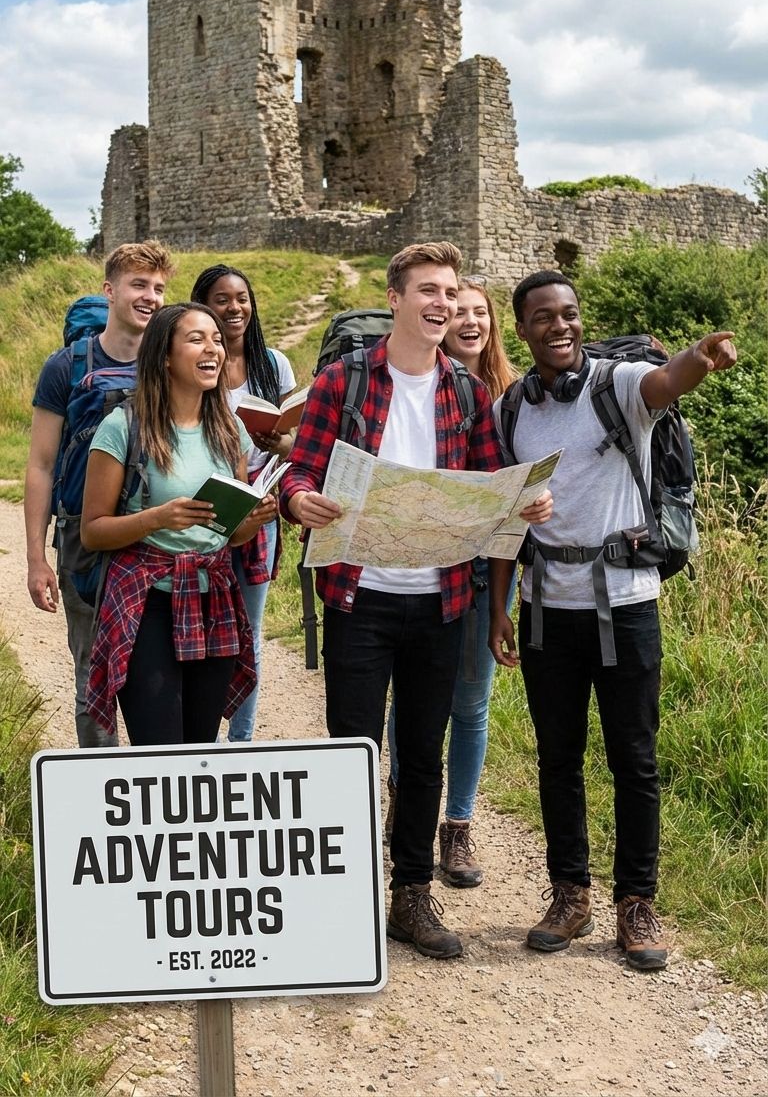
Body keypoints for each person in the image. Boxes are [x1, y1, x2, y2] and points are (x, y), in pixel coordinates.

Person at [280, 242, 551, 960]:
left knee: (422, 754)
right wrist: (299, 499)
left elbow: (495, 480)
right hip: (357, 596)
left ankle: (409, 895)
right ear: (395, 299)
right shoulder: (342, 381)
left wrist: (526, 502)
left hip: (440, 601)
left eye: (450, 291)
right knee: (351, 749)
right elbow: (299, 470)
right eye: (428, 290)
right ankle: (342, 895)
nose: (441, 303)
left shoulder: (465, 392)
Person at [488, 270, 737, 972]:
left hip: (625, 606)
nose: (559, 326)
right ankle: (570, 893)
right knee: (558, 757)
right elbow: (508, 519)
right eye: (543, 317)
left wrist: (698, 356)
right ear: (524, 328)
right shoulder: (513, 411)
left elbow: (667, 385)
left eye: (568, 313)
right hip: (545, 610)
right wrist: (497, 608)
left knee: (635, 757)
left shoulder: (618, 385)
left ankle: (636, 903)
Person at [81, 302, 276, 745]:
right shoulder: (121, 427)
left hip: (214, 597)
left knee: (201, 747)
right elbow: (92, 531)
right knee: (160, 750)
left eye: (217, 341)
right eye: (196, 339)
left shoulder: (230, 429)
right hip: (145, 601)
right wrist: (156, 518)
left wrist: (253, 517)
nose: (214, 349)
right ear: (164, 356)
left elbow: (232, 533)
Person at [386, 276, 523, 887]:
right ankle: (403, 809)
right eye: (456, 310)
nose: (468, 321)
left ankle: (457, 825)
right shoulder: (411, 384)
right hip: (418, 569)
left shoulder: (509, 396)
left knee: (469, 701)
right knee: (411, 703)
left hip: (485, 573)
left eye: (479, 312)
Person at [24, 240, 174, 748]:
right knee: (93, 672)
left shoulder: (171, 366)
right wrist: (34, 559)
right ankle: (101, 789)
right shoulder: (65, 367)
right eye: (138, 285)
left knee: (159, 668)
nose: (150, 296)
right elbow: (42, 466)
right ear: (110, 290)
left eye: (158, 288)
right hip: (84, 542)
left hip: (158, 539)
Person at [191, 264, 296, 741]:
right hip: (204, 502)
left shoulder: (272, 364)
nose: (234, 308)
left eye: (242, 299)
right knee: (201, 623)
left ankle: (242, 741)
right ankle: (200, 737)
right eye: (221, 299)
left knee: (248, 631)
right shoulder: (193, 361)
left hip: (259, 503)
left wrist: (282, 442)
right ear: (201, 308)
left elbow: (299, 441)